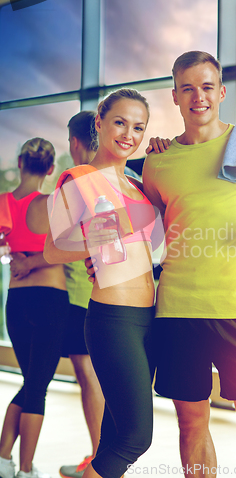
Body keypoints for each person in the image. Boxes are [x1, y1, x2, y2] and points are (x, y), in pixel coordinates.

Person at [142, 51, 236, 478]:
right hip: (177, 309)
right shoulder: (158, 161)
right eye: (187, 88)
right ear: (174, 96)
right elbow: (148, 229)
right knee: (192, 423)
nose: (199, 97)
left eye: (207, 87)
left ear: (221, 92)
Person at [44, 89, 159, 478]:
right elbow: (54, 249)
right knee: (135, 438)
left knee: (113, 441)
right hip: (114, 319)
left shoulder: (134, 184)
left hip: (149, 317)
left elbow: (150, 246)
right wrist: (102, 237)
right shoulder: (78, 179)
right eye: (120, 122)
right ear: (100, 123)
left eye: (139, 127)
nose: (130, 134)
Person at [0, 138, 69, 478]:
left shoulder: (2, 202)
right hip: (51, 299)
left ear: (20, 162)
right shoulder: (54, 202)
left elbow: (2, 249)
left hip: (16, 302)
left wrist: (12, 254)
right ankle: (26, 469)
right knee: (37, 385)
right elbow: (73, 249)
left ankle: (3, 459)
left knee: (31, 380)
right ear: (51, 169)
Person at [59, 111, 105, 478]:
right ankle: (104, 459)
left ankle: (99, 459)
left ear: (74, 142)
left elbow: (57, 242)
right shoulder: (118, 177)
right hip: (118, 296)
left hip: (80, 294)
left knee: (87, 376)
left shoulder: (75, 181)